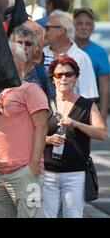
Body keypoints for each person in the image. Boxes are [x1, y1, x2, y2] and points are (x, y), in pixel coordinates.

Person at [0, 42, 48, 218]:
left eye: (8, 56)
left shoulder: (30, 89)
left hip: (25, 171)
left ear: (21, 62)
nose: (2, 61)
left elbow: (42, 126)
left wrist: (34, 164)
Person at [43, 55, 107, 218]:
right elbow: (29, 135)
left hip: (74, 173)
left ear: (76, 77)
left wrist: (77, 124)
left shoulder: (86, 105)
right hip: (46, 173)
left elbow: (102, 133)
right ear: (52, 79)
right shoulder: (44, 104)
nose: (64, 78)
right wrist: (48, 139)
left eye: (69, 74)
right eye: (59, 75)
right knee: (45, 215)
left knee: (73, 215)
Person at [43, 11, 98, 100]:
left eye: (47, 28)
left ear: (61, 31)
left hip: (73, 112)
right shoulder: (42, 54)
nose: (44, 32)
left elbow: (88, 97)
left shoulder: (81, 58)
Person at [74, 7, 110, 119]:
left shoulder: (100, 52)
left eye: (88, 24)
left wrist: (103, 115)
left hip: (87, 110)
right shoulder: (64, 47)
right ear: (73, 25)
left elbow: (105, 87)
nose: (84, 27)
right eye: (79, 23)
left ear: (93, 27)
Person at [10, 26, 55, 100]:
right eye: (19, 43)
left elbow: (52, 103)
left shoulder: (42, 73)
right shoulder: (2, 73)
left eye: (28, 44)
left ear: (34, 49)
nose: (24, 47)